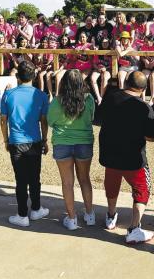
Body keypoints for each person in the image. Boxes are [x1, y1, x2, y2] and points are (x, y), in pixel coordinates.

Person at [98, 71, 154, 244]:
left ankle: (110, 216)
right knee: (142, 188)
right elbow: (151, 137)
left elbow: (102, 117)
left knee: (112, 184)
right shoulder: (145, 108)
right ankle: (134, 227)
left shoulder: (110, 98)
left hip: (110, 153)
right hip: (134, 158)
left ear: (125, 83)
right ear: (143, 88)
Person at [0, 61, 50, 227]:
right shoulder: (41, 95)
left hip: (16, 140)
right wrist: (45, 139)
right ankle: (36, 209)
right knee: (35, 178)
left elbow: (3, 120)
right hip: (34, 140)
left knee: (20, 180)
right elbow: (44, 121)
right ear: (34, 76)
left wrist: (6, 139)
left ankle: (22, 214)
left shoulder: (8, 94)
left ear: (17, 76)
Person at [47, 69, 96, 230]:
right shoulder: (88, 100)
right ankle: (89, 215)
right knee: (85, 179)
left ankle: (72, 218)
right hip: (84, 142)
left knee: (67, 183)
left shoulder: (56, 101)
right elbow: (91, 118)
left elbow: (51, 121)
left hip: (62, 142)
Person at [91, 37, 112, 105]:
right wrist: (97, 68)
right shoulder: (98, 51)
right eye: (103, 42)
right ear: (101, 43)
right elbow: (94, 63)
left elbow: (113, 64)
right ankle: (98, 97)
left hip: (108, 69)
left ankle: (102, 97)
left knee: (104, 77)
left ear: (109, 43)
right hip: (98, 68)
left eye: (106, 42)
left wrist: (106, 68)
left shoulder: (111, 51)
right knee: (92, 78)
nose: (105, 44)